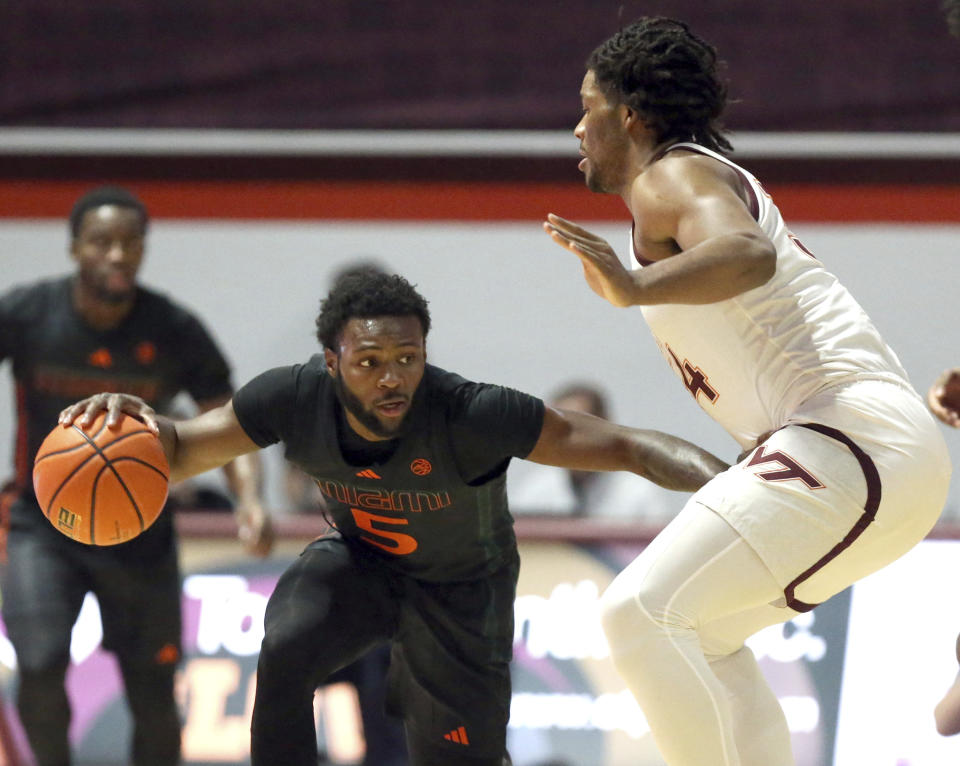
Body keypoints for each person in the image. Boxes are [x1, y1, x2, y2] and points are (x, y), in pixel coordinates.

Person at [59, 268, 730, 766]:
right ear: (332, 362)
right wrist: (136, 423)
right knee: (288, 642)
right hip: (362, 565)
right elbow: (182, 448)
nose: (391, 378)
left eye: (407, 360)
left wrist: (736, 488)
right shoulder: (291, 398)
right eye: (370, 362)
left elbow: (630, 446)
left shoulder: (473, 413)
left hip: (462, 591)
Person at [543, 17, 951, 765]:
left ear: (629, 114)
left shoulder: (671, 175)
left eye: (587, 105)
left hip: (847, 439)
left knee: (637, 614)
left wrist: (633, 286)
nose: (576, 127)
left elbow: (746, 253)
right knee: (706, 637)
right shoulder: (683, 181)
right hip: (876, 458)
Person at [0, 185, 273, 766]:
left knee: (152, 692)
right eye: (103, 242)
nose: (119, 254)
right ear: (76, 248)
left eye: (131, 243)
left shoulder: (172, 327)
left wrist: (250, 499)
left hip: (141, 530)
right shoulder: (28, 313)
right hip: (42, 527)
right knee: (41, 665)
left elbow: (228, 417)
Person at [508, 380, 681, 520]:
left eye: (574, 429)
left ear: (604, 429)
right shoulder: (539, 487)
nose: (563, 441)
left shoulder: (638, 491)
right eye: (554, 431)